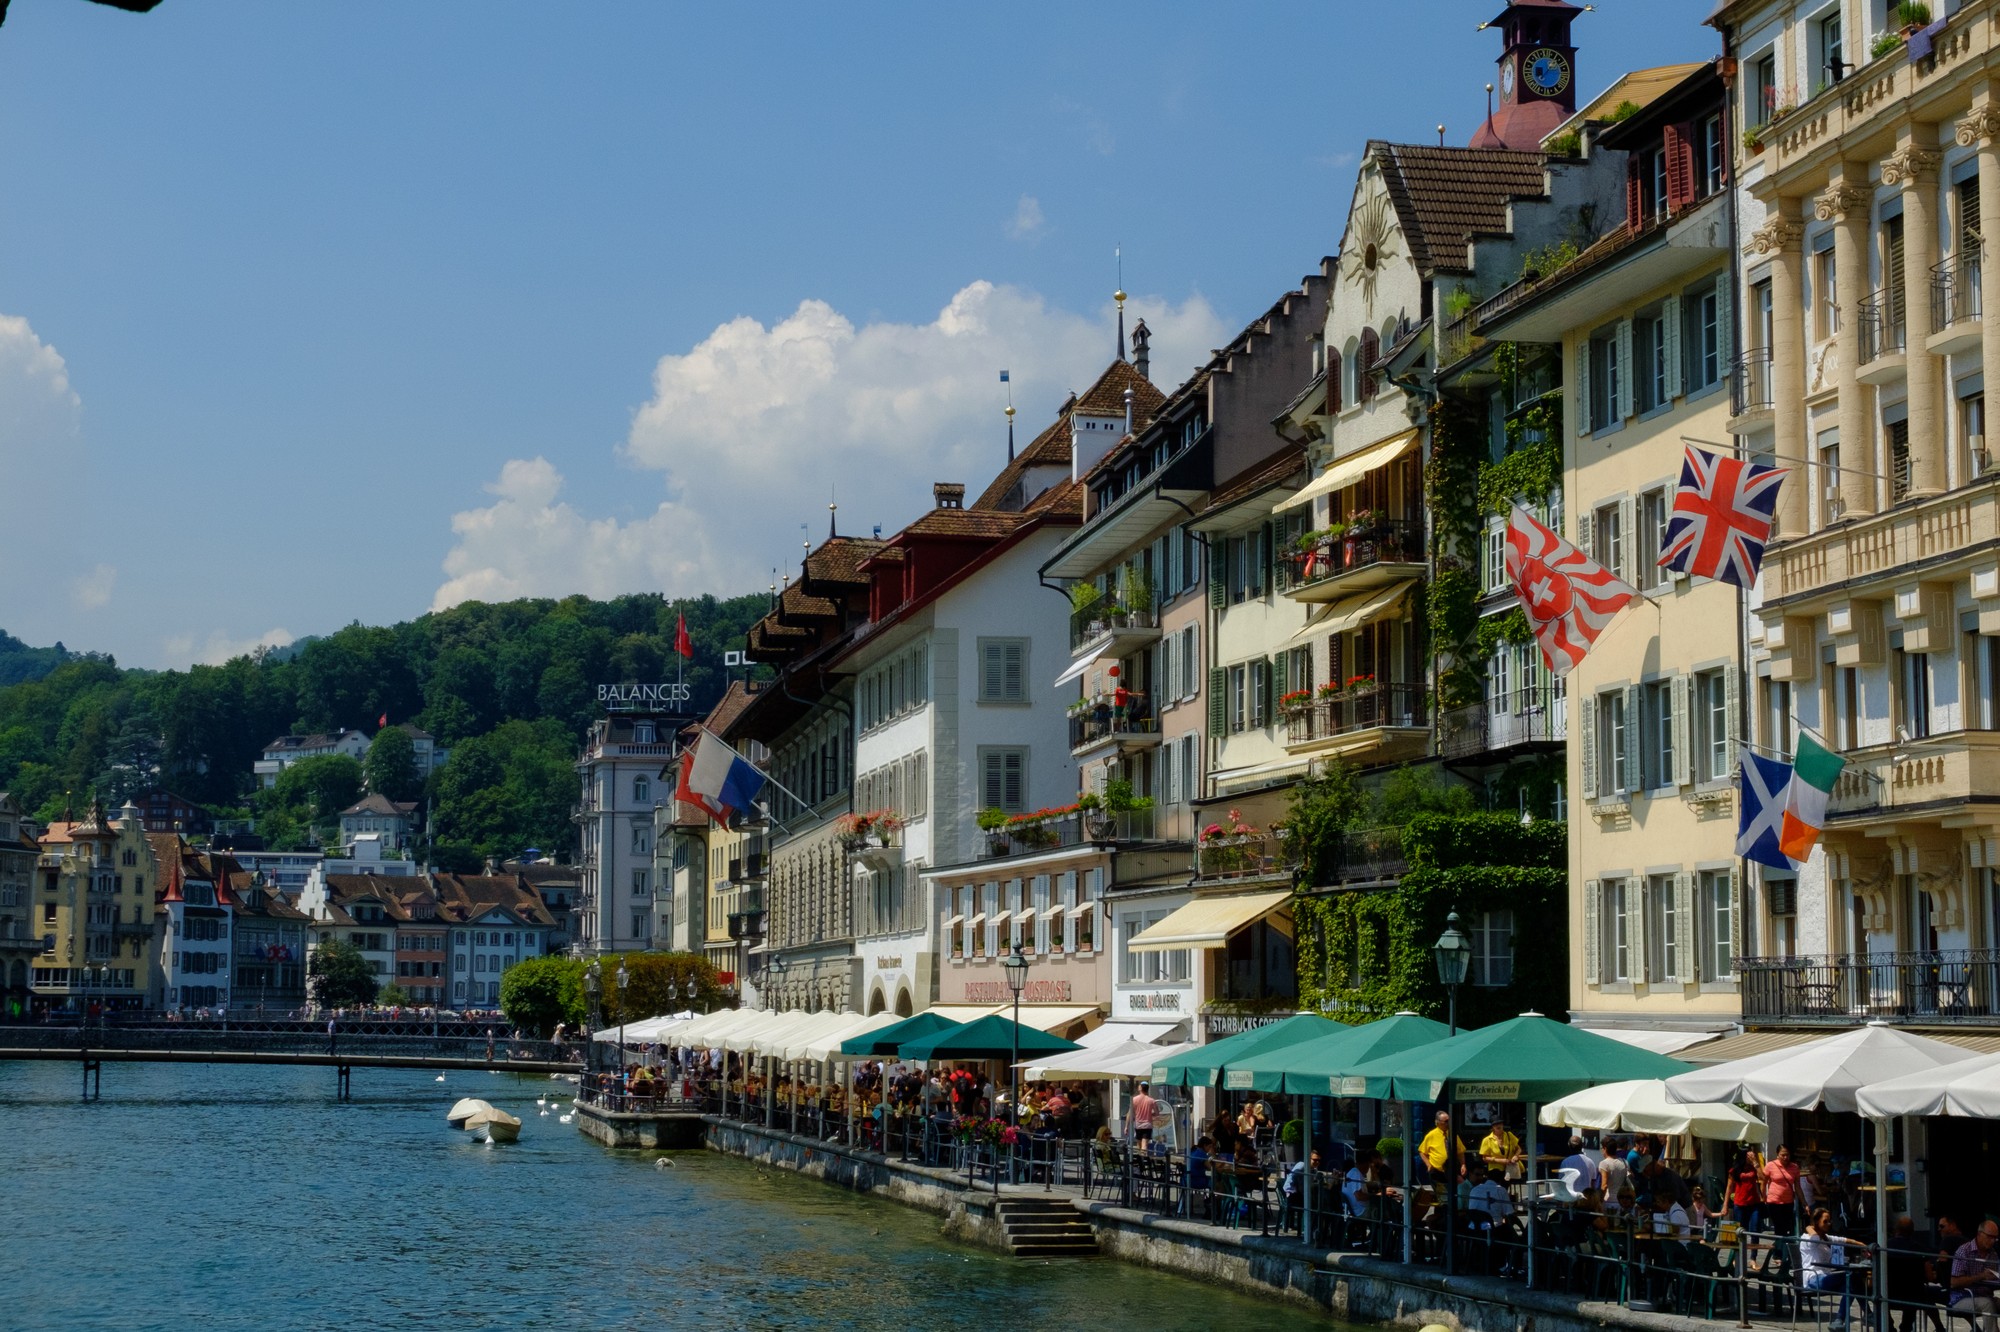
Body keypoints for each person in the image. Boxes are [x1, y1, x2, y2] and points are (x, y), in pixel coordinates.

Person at [1799, 1206, 1871, 1330]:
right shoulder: (1806, 1238)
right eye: (1825, 1221)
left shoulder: (1826, 1238)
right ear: (1816, 1222)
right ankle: (1868, 1314)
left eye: (1830, 1221)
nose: (1829, 1224)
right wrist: (1809, 1227)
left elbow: (1846, 1240)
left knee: (1852, 1285)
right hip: (1813, 1278)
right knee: (1850, 1278)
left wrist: (1865, 1247)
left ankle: (1839, 1321)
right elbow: (1815, 1238)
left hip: (1826, 1276)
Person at [1887, 1213, 1948, 1332]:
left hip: (1889, 1294)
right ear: (1912, 1231)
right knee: (1924, 1294)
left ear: (1896, 1230)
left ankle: (1889, 1326)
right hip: (1913, 1295)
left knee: (1880, 1294)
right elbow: (1929, 1277)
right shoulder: (1919, 1249)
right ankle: (1937, 1327)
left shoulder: (1885, 1247)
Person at [1949, 1219, 2000, 1332]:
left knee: (1989, 1302)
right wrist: (1981, 1276)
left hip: (1985, 1295)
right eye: (1990, 1237)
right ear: (1979, 1234)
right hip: (1962, 1297)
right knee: (1987, 1304)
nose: (1993, 1241)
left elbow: (1994, 1279)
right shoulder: (1964, 1251)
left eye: (1995, 1238)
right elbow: (1954, 1282)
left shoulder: (1993, 1254)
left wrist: (1995, 1278)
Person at [1418, 1111, 1468, 1186]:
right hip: (1437, 1171)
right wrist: (1428, 1165)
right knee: (1440, 1192)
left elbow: (1460, 1152)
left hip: (1451, 1170)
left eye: (1449, 1120)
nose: (1448, 1123)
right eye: (1446, 1121)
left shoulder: (1452, 1134)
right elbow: (1422, 1151)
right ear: (1438, 1122)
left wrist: (1463, 1165)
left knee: (1458, 1187)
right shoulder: (1431, 1135)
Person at [1479, 1118, 1525, 1183]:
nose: (1498, 1126)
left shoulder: (1509, 1135)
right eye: (1495, 1124)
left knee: (1506, 1187)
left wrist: (1515, 1156)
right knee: (1496, 1187)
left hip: (1509, 1168)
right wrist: (1500, 1160)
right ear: (1492, 1127)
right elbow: (1484, 1158)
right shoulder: (1487, 1140)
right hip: (1495, 1170)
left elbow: (1519, 1149)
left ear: (1503, 1125)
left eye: (1500, 1123)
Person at [1127, 1081, 1159, 1147]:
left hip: (1138, 1125)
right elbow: (1157, 1113)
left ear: (1141, 1088)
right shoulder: (1151, 1100)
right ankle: (1143, 1153)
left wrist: (1126, 1126)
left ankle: (1140, 1154)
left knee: (1139, 1144)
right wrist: (1151, 1114)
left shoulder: (1134, 1099)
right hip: (1147, 1125)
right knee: (1144, 1144)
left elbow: (1129, 1113)